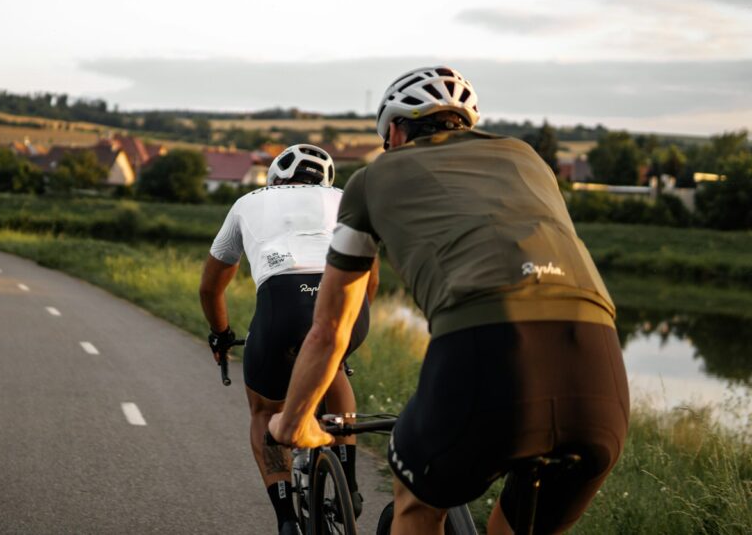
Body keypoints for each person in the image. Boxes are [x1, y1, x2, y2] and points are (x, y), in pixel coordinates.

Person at [268, 67, 629, 535]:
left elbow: (330, 329)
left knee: (417, 503)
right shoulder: (528, 159)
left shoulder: (373, 178)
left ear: (397, 132)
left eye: (386, 140)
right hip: (600, 373)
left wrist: (294, 421)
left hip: (487, 354)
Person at [200, 143, 378, 535]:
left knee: (265, 413)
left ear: (275, 178)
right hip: (349, 301)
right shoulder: (346, 197)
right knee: (332, 365)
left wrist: (221, 335)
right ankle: (348, 482)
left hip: (282, 304)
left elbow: (211, 288)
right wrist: (348, 331)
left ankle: (285, 519)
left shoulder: (249, 202)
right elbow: (371, 276)